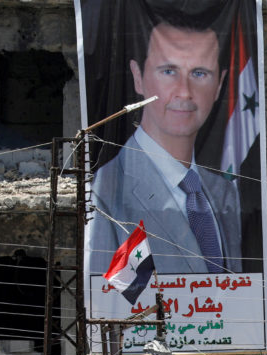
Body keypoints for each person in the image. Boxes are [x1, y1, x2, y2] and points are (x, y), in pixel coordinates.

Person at [88, 15, 242, 275]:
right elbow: (107, 300)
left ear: (219, 85)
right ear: (138, 78)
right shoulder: (108, 188)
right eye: (169, 71)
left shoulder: (224, 193)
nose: (184, 91)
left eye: (199, 73)